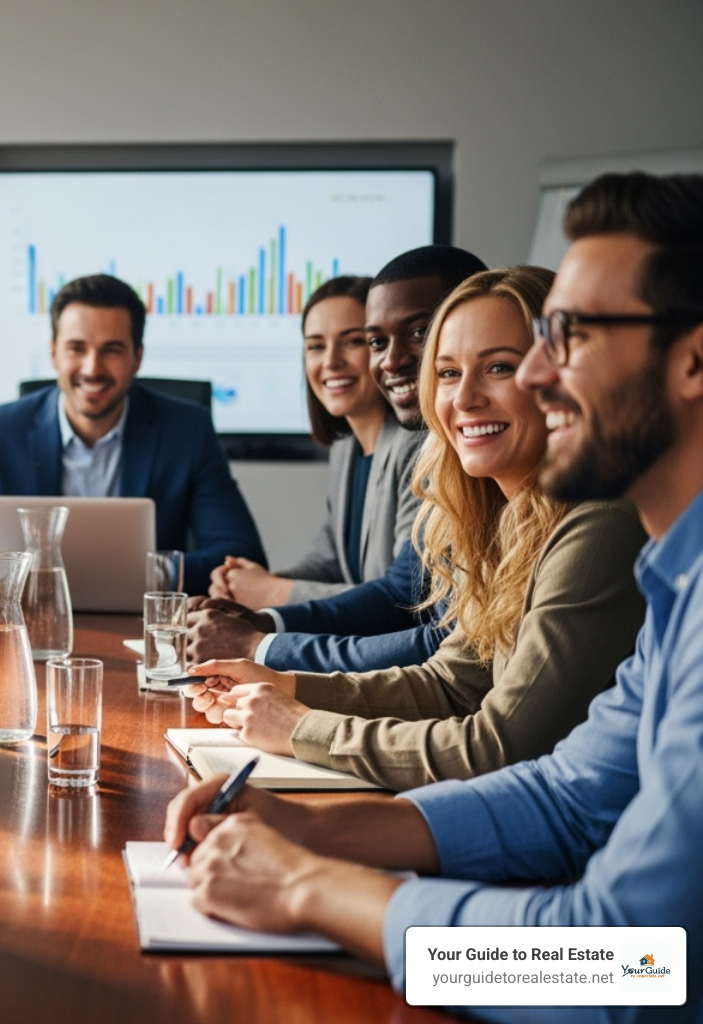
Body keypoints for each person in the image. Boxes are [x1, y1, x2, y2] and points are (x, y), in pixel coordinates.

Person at [164, 172, 703, 1023]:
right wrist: (309, 831)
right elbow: (565, 795)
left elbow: (625, 968)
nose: (534, 372)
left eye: (572, 336)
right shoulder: (678, 581)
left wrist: (313, 889)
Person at [184, 266, 647, 790]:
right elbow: (453, 683)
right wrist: (286, 685)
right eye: (448, 373)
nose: (464, 398)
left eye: (498, 367)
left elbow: (502, 744)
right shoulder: (497, 516)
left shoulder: (597, 522)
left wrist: (298, 726)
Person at [188, 246, 489, 672]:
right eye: (376, 341)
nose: (393, 358)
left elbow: (408, 606)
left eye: (351, 342)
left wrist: (270, 608)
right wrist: (256, 611)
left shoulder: (426, 448)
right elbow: (345, 565)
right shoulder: (350, 446)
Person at [0, 273, 264, 595]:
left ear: (137, 358)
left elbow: (241, 555)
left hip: (140, 630)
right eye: (76, 348)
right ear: (53, 353)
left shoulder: (187, 431)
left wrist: (150, 573)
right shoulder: (0, 430)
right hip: (27, 626)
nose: (92, 368)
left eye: (111, 350)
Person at [209, 275, 424, 607]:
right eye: (316, 346)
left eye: (353, 341)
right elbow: (329, 563)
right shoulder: (345, 448)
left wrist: (271, 592)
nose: (330, 361)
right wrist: (247, 585)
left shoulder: (416, 446)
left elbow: (404, 598)